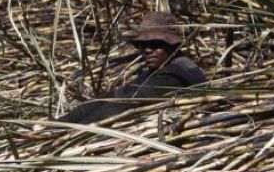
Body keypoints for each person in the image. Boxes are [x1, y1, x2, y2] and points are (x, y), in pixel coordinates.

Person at [57, 11, 207, 124]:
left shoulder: (173, 75)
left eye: (156, 44)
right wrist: (59, 124)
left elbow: (120, 107)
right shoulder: (160, 68)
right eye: (143, 45)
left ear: (173, 45)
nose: (148, 50)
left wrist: (78, 131)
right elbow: (115, 96)